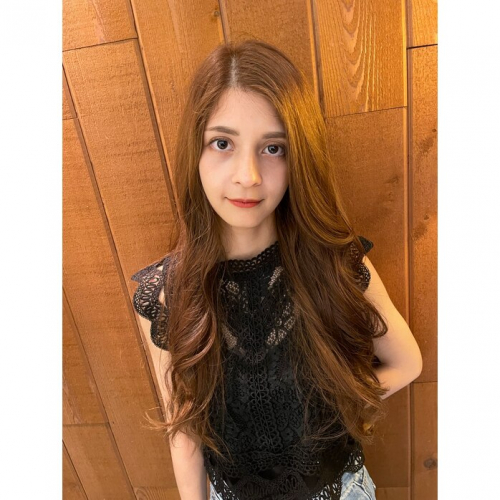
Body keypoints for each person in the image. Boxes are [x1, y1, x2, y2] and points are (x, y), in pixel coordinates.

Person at [130, 39, 423, 500]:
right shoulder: (166, 294)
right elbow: (184, 429)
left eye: (273, 148)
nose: (247, 175)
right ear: (195, 152)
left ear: (297, 157)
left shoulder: (334, 263)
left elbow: (406, 364)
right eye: (223, 143)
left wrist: (325, 414)